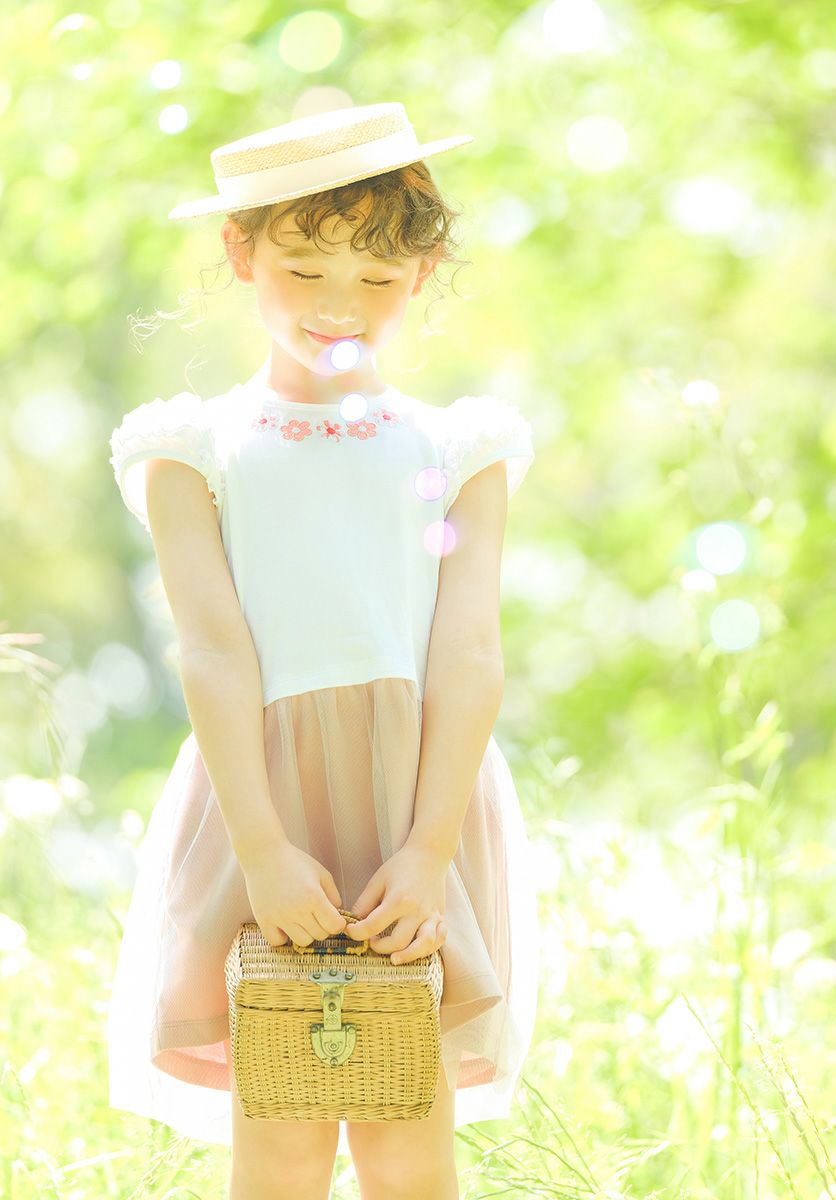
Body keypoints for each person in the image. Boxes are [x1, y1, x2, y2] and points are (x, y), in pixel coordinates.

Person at [105, 102, 540, 1200]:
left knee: (406, 1131)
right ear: (240, 250)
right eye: (303, 270)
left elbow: (468, 654)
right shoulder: (193, 450)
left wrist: (431, 848)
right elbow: (212, 651)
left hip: (417, 800)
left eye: (377, 278)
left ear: (426, 270)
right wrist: (260, 847)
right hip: (263, 795)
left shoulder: (457, 446)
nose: (339, 306)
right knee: (285, 1130)